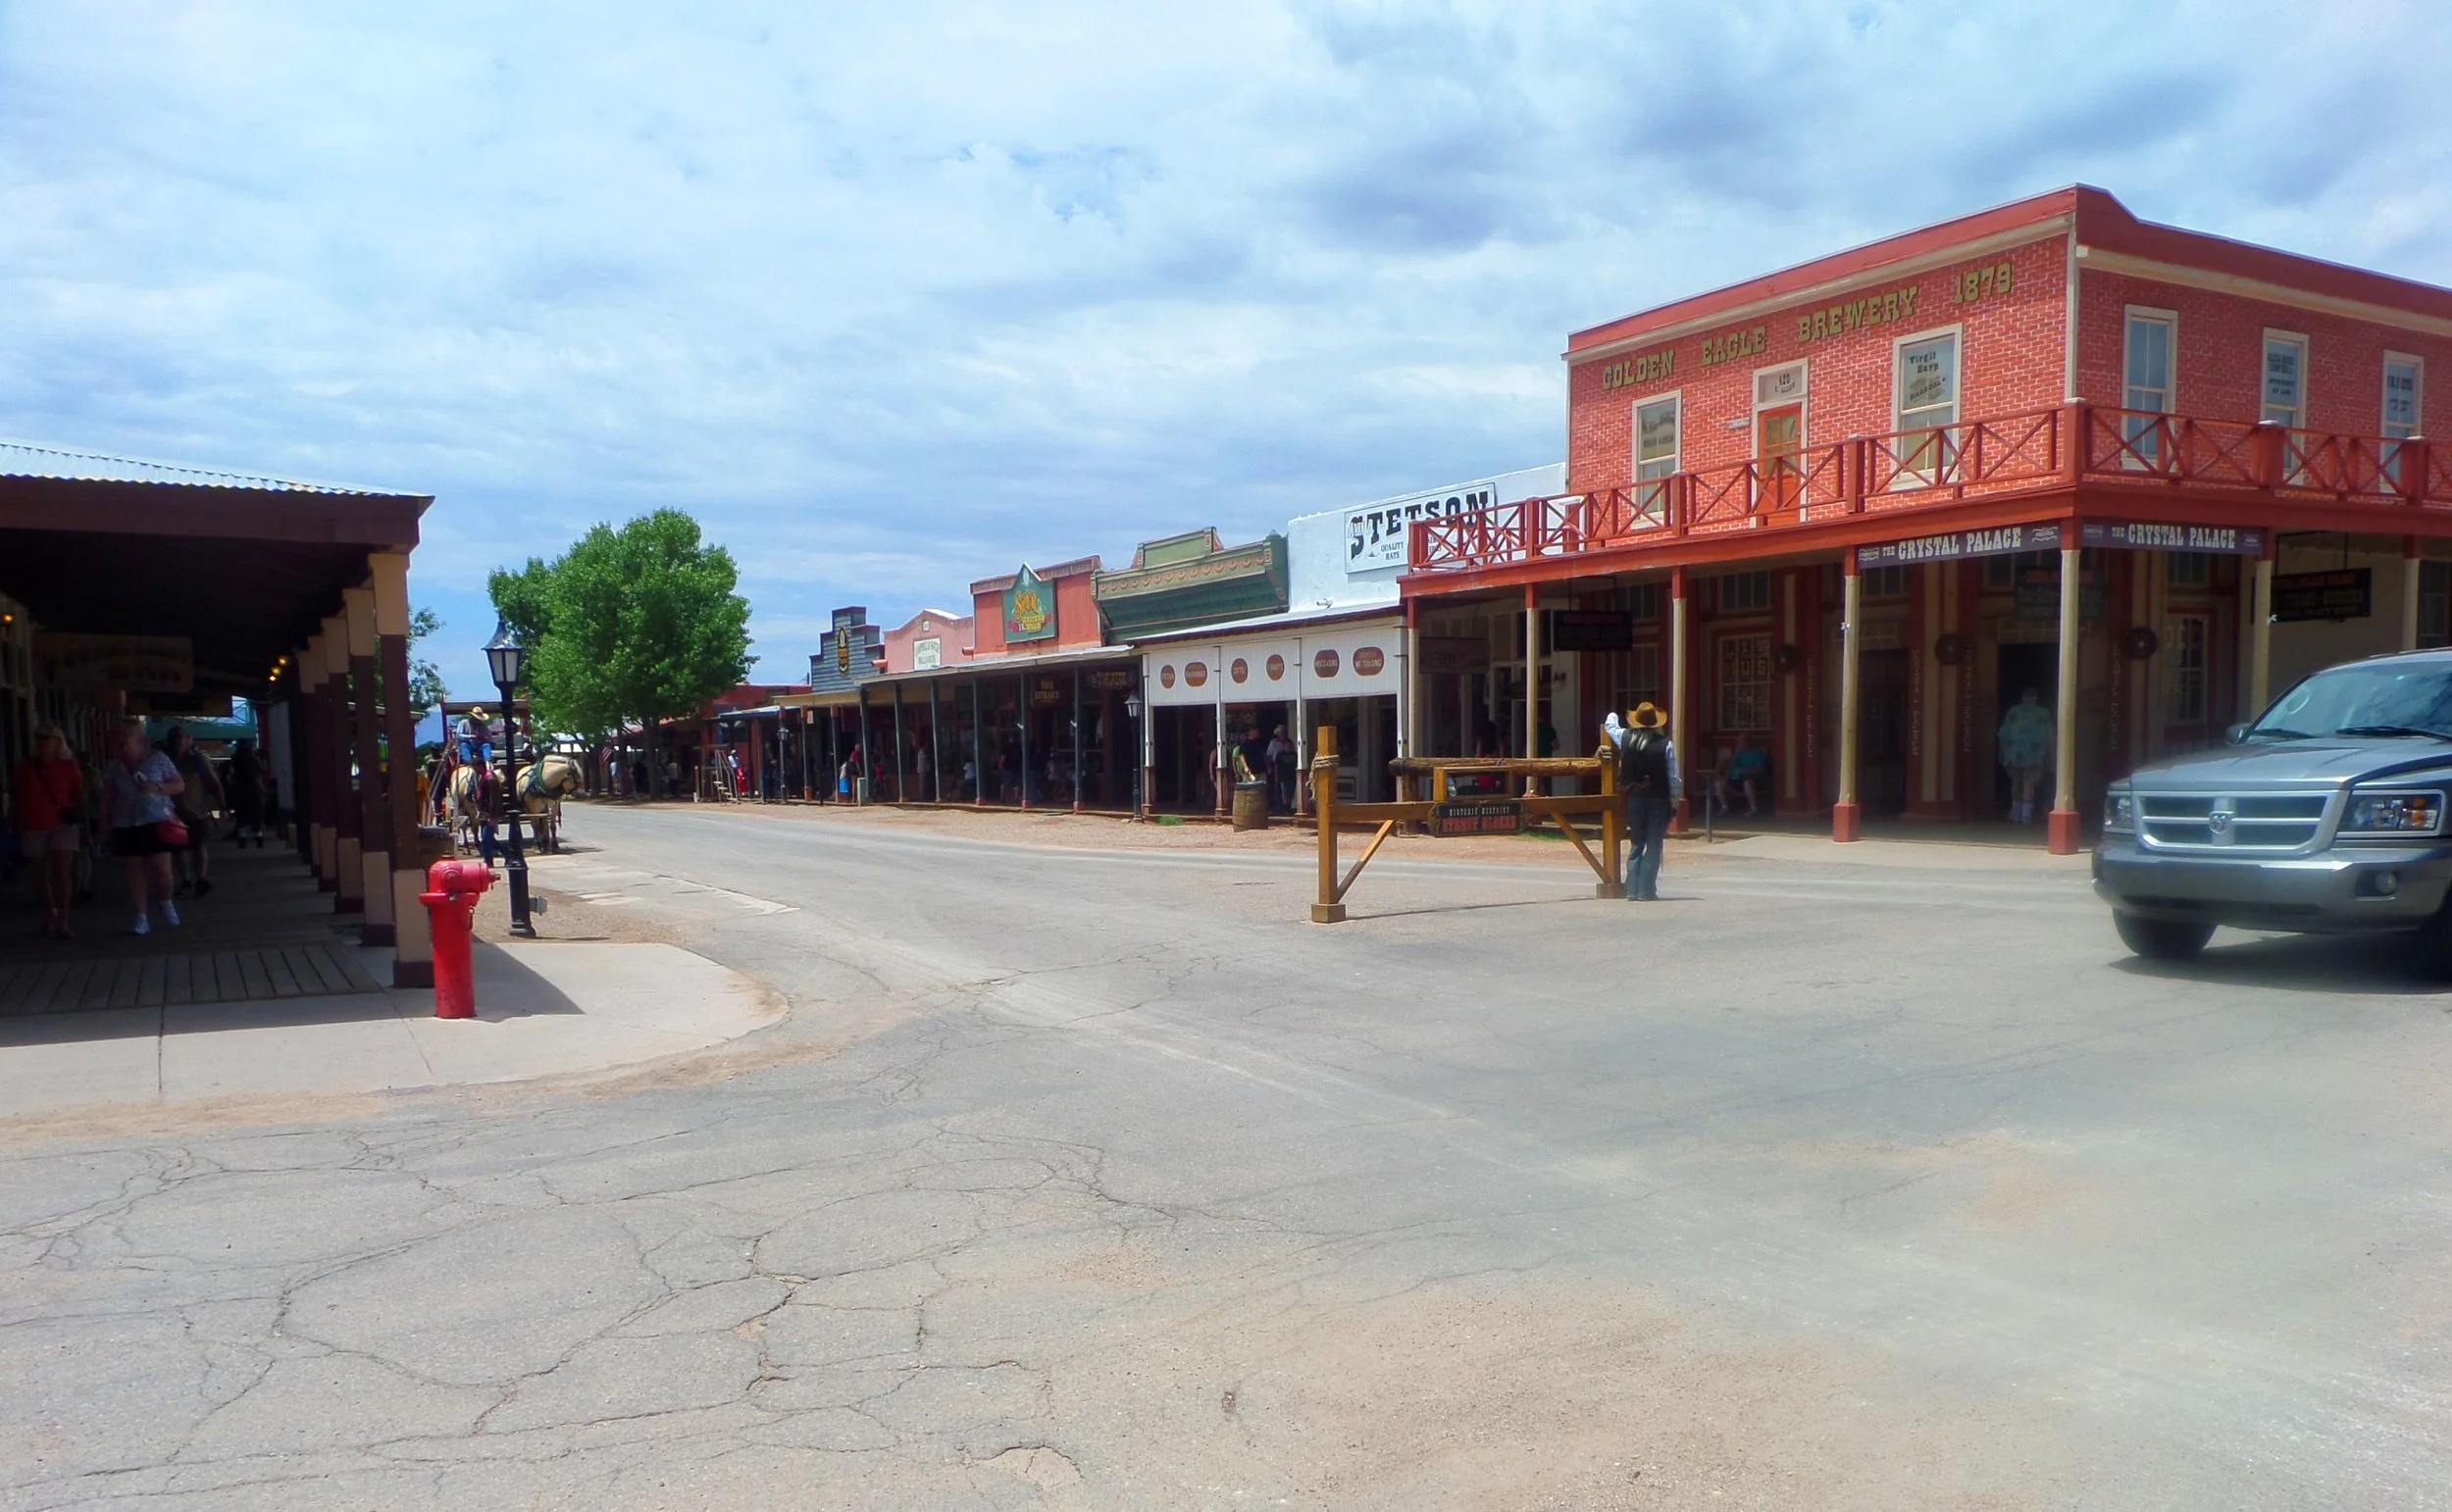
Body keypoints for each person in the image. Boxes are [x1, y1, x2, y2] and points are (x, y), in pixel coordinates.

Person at [99, 718, 184, 935]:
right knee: (135, 871)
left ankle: (165, 900)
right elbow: (108, 798)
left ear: (138, 738)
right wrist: (104, 823)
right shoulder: (114, 767)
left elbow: (179, 785)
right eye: (117, 737)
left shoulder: (158, 758)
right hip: (126, 822)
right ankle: (141, 917)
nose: (120, 741)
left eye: (125, 736)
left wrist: (157, 787)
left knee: (163, 873)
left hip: (156, 820)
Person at [13, 724, 85, 938]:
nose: (43, 742)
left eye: (48, 738)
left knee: (62, 873)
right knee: (39, 875)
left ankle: (63, 919)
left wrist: (84, 823)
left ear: (58, 741)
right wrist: (13, 818)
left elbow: (78, 794)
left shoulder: (68, 766)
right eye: (39, 738)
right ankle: (50, 914)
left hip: (62, 824)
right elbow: (17, 794)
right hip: (33, 824)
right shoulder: (24, 767)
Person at [1609, 702, 1679, 902]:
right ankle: (1646, 890)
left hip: (1635, 799)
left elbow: (1610, 726)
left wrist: (1613, 713)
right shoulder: (1666, 744)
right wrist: (1675, 801)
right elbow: (1673, 777)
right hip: (1658, 800)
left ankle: (1632, 889)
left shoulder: (1625, 738)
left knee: (1637, 844)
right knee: (1654, 844)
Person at [163, 728, 223, 897]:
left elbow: (213, 783)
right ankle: (188, 880)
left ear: (189, 740)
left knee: (198, 846)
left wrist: (222, 805)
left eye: (180, 738)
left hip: (196, 810)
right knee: (178, 848)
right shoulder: (166, 760)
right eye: (173, 739)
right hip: (172, 812)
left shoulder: (197, 760)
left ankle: (200, 879)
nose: (176, 742)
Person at [1998, 686, 2056, 824]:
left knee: (2016, 783)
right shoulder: (2043, 713)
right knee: (2029, 784)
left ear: (2023, 698)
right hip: (2035, 754)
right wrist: (2051, 755)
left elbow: (2003, 734)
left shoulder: (2014, 711)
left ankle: (2015, 814)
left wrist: (2001, 752)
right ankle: (2026, 816)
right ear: (2035, 698)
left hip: (2013, 753)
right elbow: (2050, 736)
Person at [229, 737, 267, 846]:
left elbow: (231, 774)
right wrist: (263, 758)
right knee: (256, 814)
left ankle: (242, 839)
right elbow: (263, 769)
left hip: (240, 790)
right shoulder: (254, 759)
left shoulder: (235, 760)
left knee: (241, 815)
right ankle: (258, 838)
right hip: (255, 790)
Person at [1721, 738, 1770, 818]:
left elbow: (1761, 768)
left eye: (1740, 741)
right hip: (1737, 779)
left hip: (1754, 779)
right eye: (1738, 742)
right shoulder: (1737, 754)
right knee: (1719, 784)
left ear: (1748, 742)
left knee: (1747, 782)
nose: (1738, 743)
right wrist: (1724, 778)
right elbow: (1730, 769)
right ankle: (1724, 807)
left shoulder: (1757, 752)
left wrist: (1746, 771)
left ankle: (1753, 809)